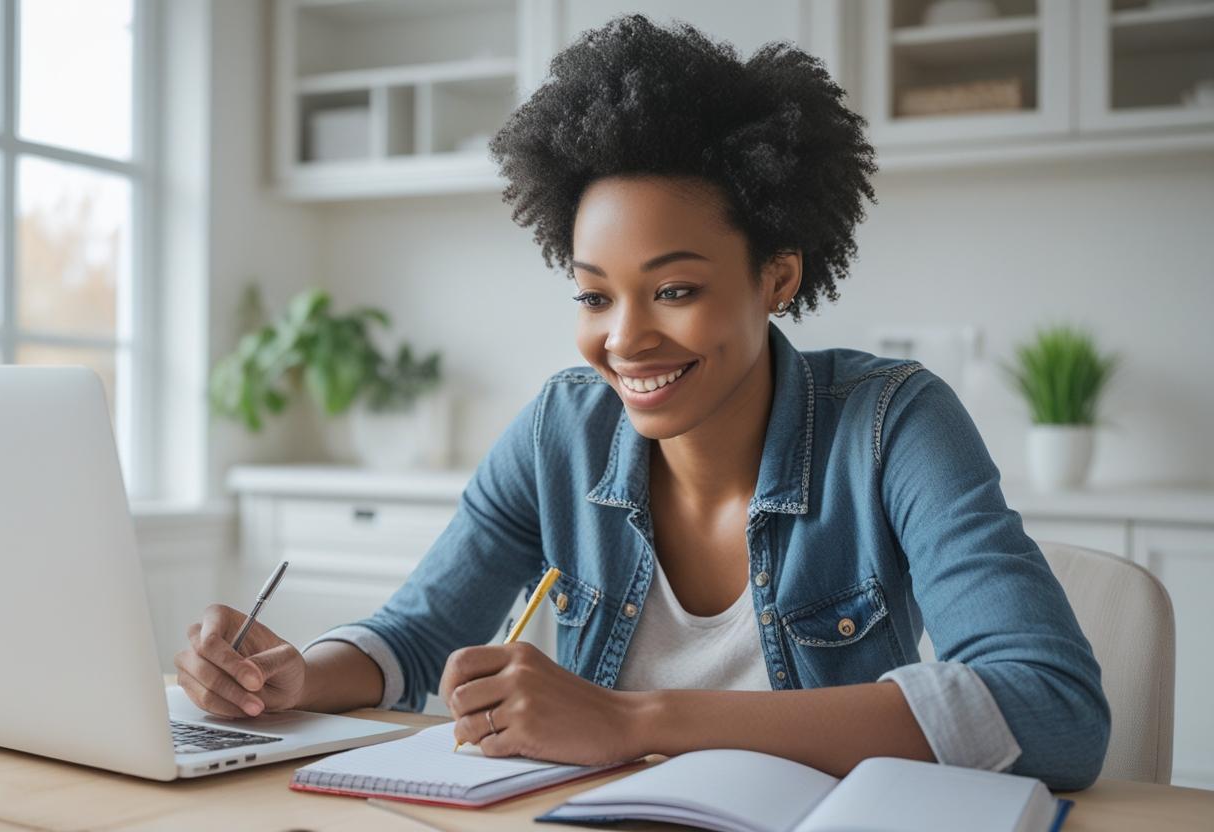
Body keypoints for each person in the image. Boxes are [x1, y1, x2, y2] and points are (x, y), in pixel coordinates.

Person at [175, 15, 1109, 790]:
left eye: (674, 290)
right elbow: (416, 636)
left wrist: (636, 721)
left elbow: (1053, 713)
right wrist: (292, 677)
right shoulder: (561, 432)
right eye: (593, 294)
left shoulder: (890, 423)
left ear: (776, 277)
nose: (624, 339)